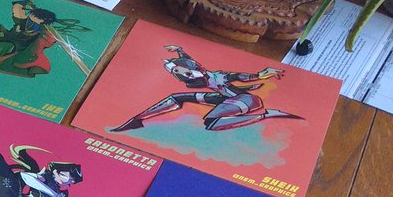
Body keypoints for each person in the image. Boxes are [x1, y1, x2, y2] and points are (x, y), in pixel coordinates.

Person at [110, 45, 301, 132]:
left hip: (245, 100)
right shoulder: (202, 77)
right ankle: (137, 120)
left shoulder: (216, 76)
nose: (186, 76)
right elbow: (188, 61)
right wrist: (179, 50)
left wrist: (261, 74)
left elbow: (238, 76)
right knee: (178, 97)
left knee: (211, 122)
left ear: (195, 69)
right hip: (224, 99)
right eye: (178, 73)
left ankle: (265, 115)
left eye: (187, 72)